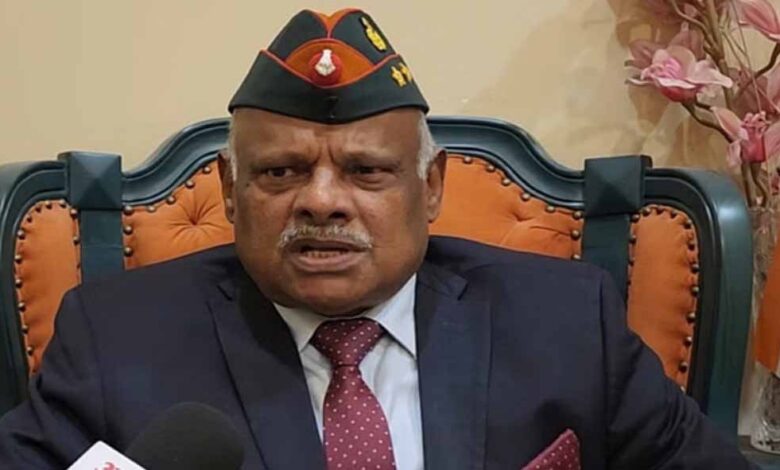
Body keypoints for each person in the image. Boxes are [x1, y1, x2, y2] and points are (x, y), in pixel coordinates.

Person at [0, 8, 753, 469]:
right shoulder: (117, 339)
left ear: (431, 187)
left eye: (366, 171)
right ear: (229, 191)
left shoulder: (566, 321)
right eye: (281, 171)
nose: (322, 201)